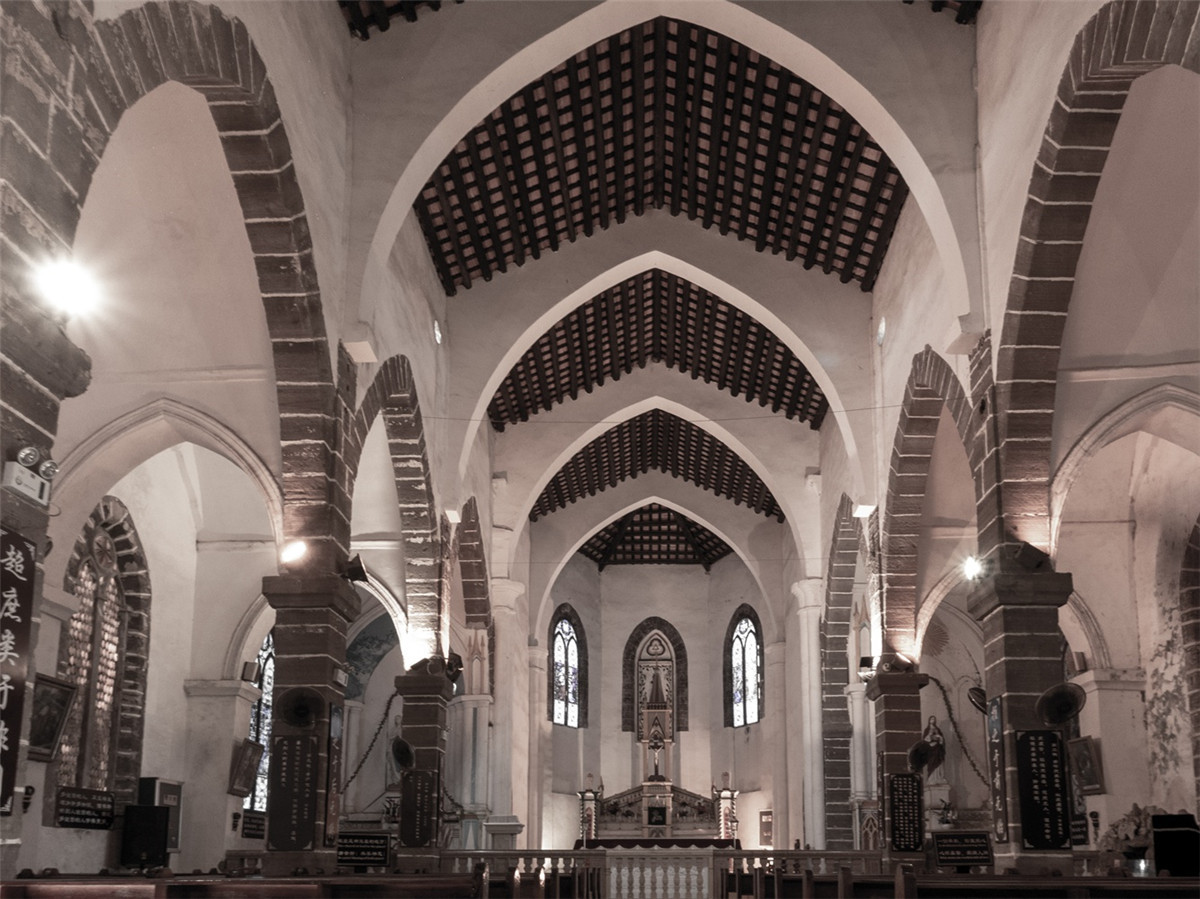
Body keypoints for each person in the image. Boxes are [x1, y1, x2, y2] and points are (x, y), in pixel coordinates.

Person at [923, 716, 947, 783]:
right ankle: (932, 778)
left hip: (938, 748)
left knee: (939, 762)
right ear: (929, 720)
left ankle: (939, 777)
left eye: (934, 719)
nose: (933, 720)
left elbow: (942, 739)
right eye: (931, 719)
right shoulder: (927, 730)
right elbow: (925, 740)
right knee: (932, 762)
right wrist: (930, 736)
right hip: (931, 749)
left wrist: (940, 738)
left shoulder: (938, 729)